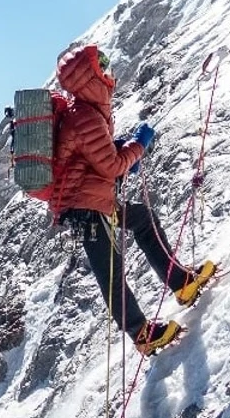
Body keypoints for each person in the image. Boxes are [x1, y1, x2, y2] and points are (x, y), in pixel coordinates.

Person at [47, 44, 215, 355]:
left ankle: (180, 281)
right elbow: (110, 165)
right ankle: (142, 334)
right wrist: (138, 146)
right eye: (102, 67)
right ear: (90, 77)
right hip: (86, 208)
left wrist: (122, 147)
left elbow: (95, 160)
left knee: (141, 219)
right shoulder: (85, 116)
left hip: (94, 200)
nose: (109, 73)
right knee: (109, 269)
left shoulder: (86, 112)